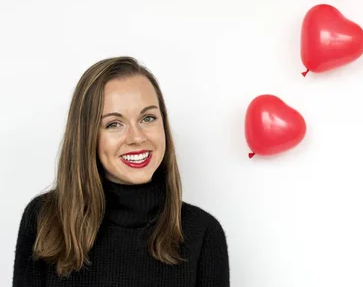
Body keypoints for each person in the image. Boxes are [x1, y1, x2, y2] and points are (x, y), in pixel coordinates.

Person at [12, 56, 230, 286]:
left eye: (148, 118)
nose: (137, 137)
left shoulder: (203, 233)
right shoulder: (45, 219)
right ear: (87, 137)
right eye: (114, 124)